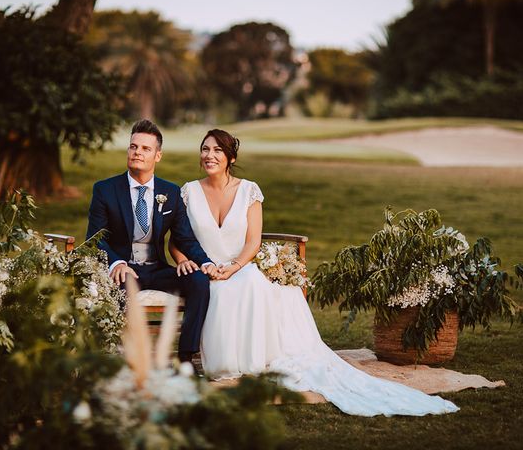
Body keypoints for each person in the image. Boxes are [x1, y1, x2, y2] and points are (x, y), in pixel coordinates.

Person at [169, 129, 459, 417]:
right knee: (214, 290)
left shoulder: (249, 191)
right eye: (205, 150)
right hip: (203, 269)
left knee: (249, 282)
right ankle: (221, 363)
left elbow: (253, 242)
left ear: (231, 157)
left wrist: (234, 267)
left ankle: (251, 361)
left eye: (217, 150)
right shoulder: (188, 192)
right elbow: (178, 242)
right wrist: (186, 262)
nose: (209, 156)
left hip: (238, 266)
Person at [86, 119, 219, 364]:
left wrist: (205, 262)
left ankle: (186, 357)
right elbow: (95, 240)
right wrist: (116, 264)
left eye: (145, 149)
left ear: (158, 156)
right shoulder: (105, 190)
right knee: (123, 283)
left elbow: (185, 238)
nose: (137, 152)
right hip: (124, 271)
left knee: (199, 281)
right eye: (133, 146)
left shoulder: (170, 192)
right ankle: (126, 359)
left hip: (157, 270)